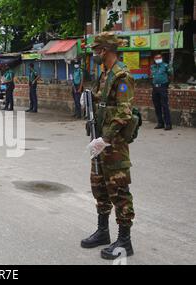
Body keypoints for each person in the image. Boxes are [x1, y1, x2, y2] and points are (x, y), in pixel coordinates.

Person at [81, 32, 136, 260]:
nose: (95, 54)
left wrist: (105, 140)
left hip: (113, 146)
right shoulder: (104, 74)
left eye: (97, 50)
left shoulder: (122, 76)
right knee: (99, 186)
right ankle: (103, 231)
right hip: (99, 141)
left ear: (106, 50)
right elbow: (102, 101)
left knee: (119, 190)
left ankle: (125, 241)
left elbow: (124, 113)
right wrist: (90, 99)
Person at [151, 54, 173, 130]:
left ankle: (168, 124)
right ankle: (160, 123)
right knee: (157, 106)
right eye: (156, 58)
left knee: (164, 105)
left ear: (162, 58)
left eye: (159, 58)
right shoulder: (152, 67)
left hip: (163, 87)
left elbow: (171, 75)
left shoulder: (165, 66)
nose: (157, 59)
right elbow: (152, 76)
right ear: (154, 59)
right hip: (155, 88)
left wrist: (167, 84)